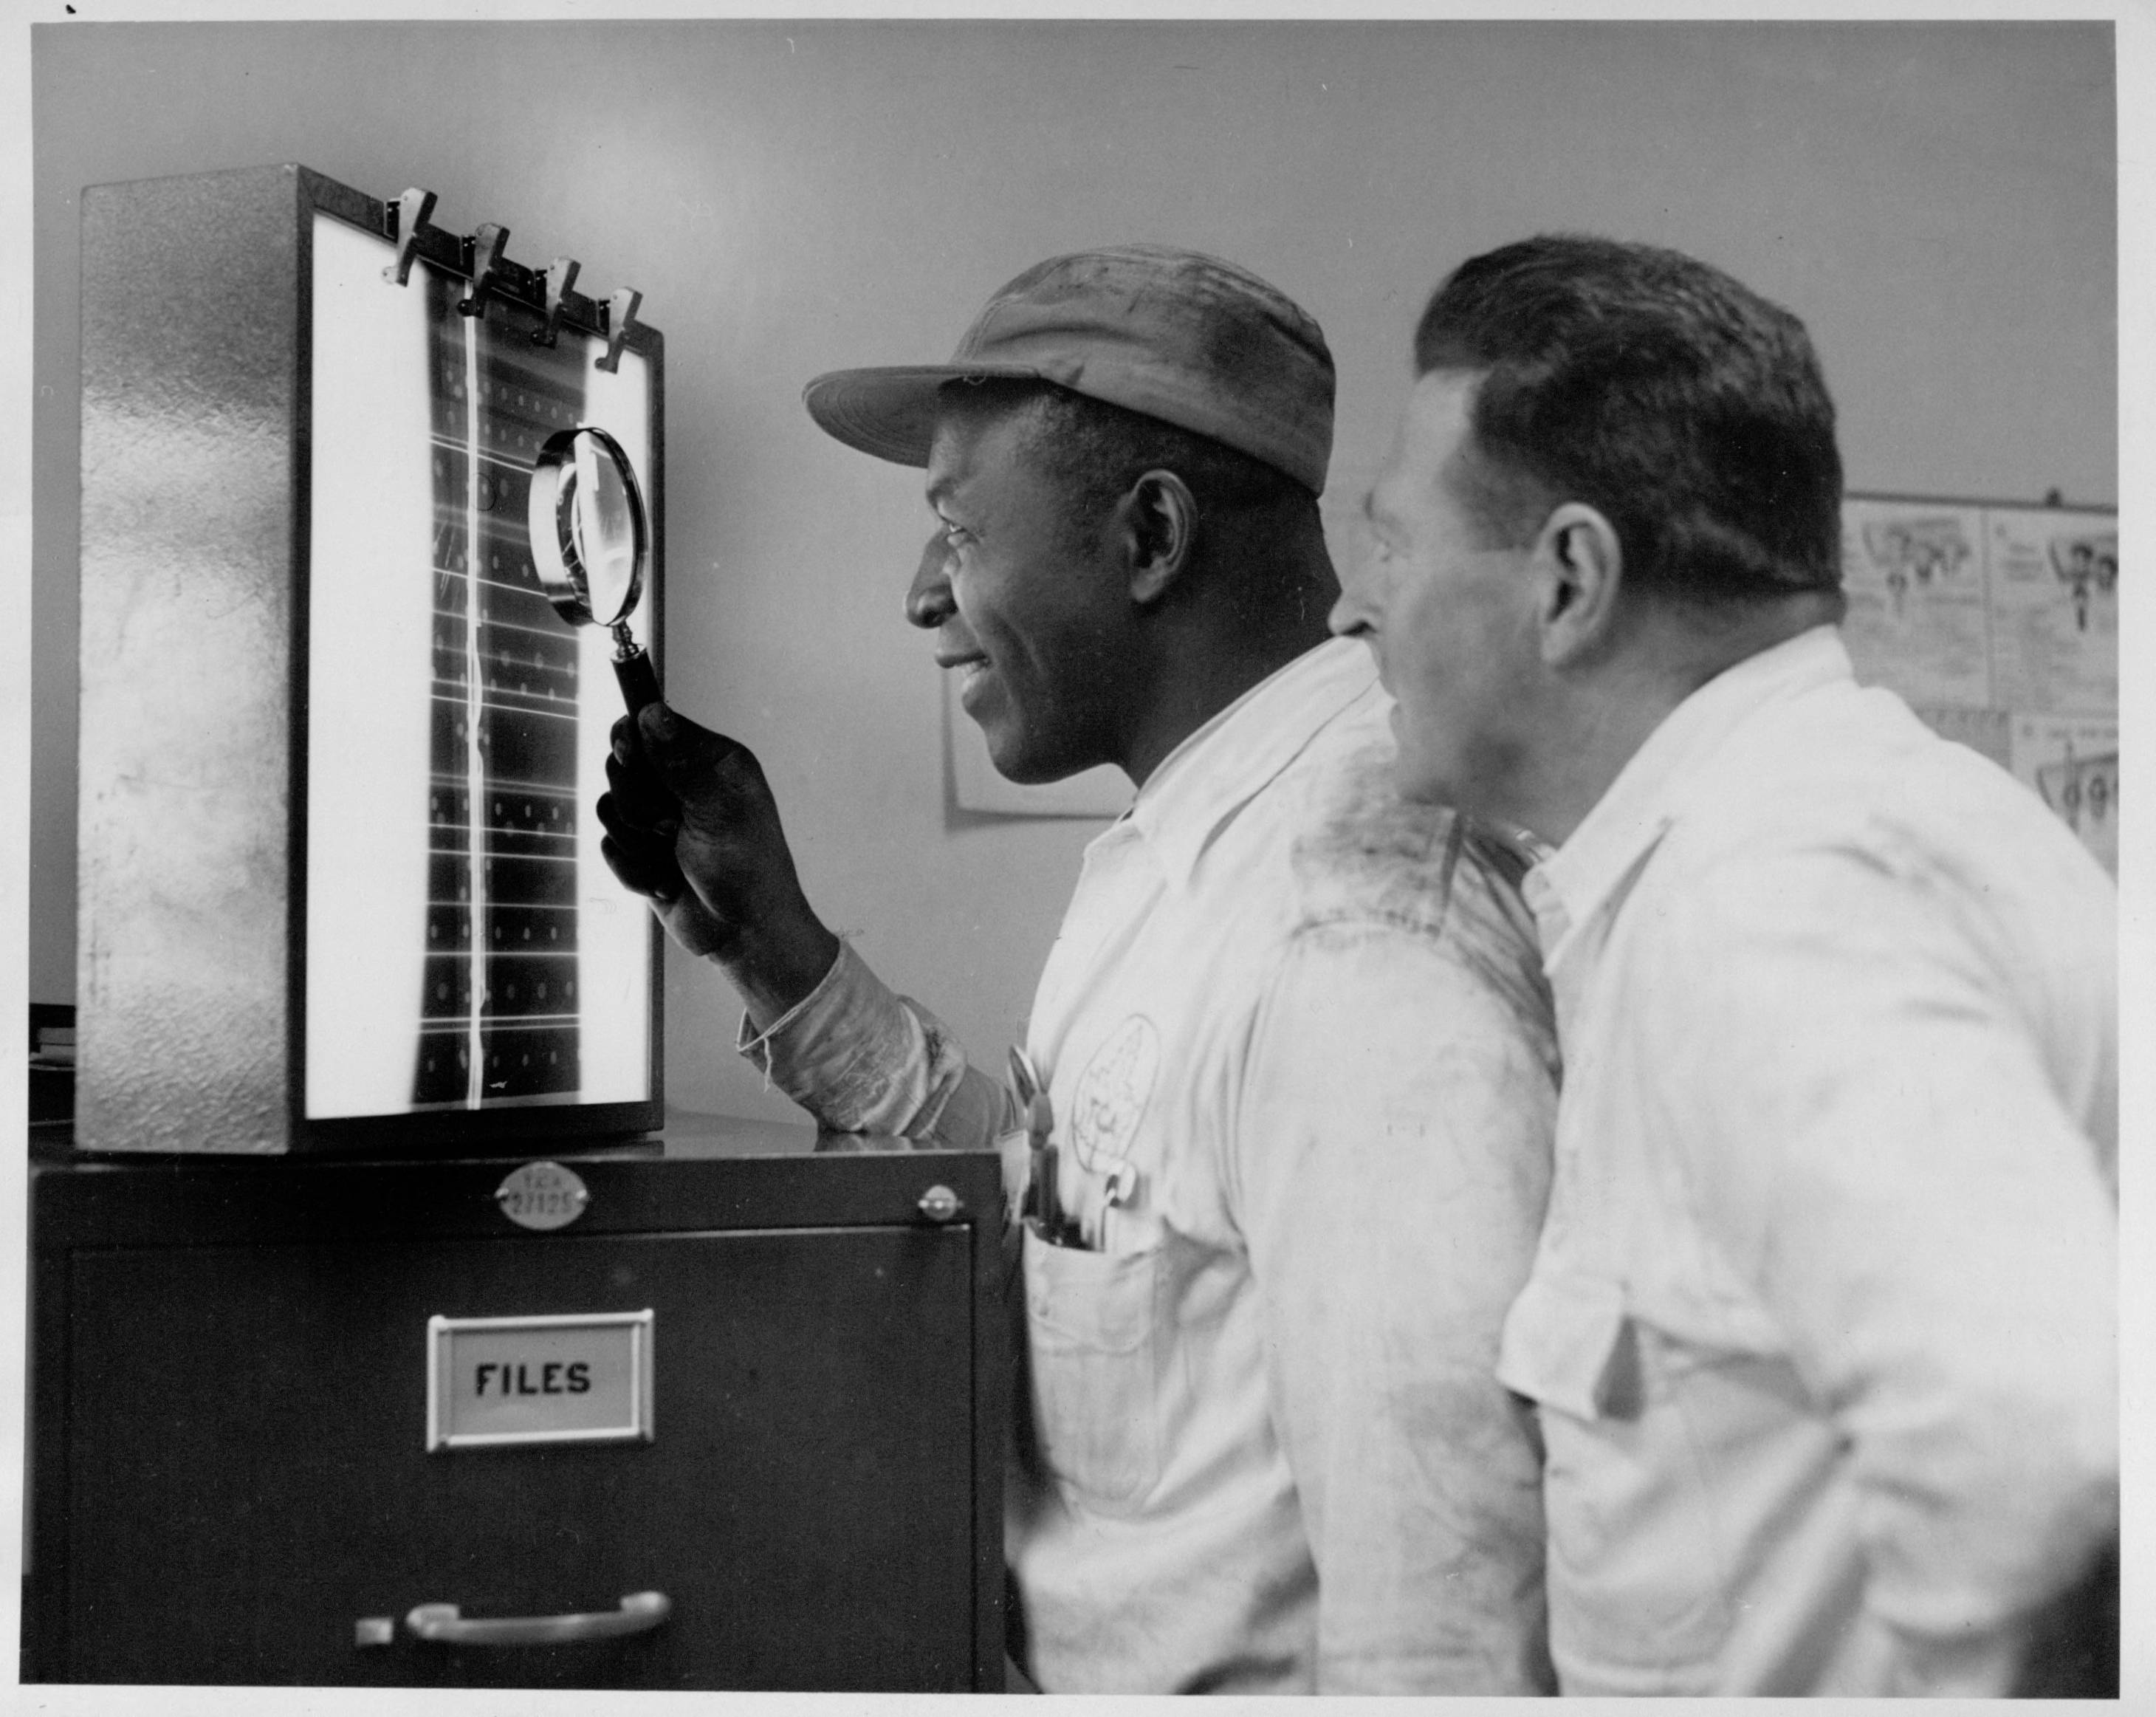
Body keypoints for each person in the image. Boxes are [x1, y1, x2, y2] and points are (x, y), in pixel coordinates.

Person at [597, 245, 1559, 1693]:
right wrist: (771, 947)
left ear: (1150, 534)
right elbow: (1070, 1212)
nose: (921, 596)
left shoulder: (1357, 920)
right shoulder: (1193, 846)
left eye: (958, 529)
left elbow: (1446, 1600)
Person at [1329, 232, 2118, 1697]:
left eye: (1393, 545)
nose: (1352, 609)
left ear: (1568, 579)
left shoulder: (1771, 898)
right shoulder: (1811, 828)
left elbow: (2047, 1463)